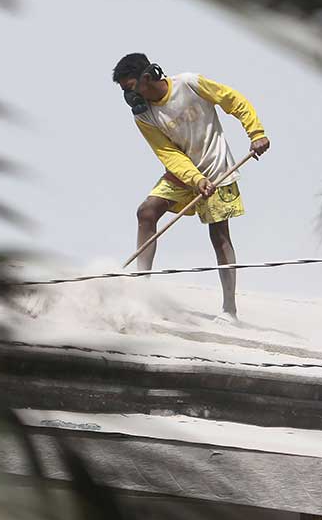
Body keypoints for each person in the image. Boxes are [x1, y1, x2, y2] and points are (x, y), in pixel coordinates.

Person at [112, 53, 270, 322]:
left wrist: (255, 133)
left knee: (219, 236)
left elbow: (233, 100)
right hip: (182, 175)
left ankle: (229, 310)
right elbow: (168, 154)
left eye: (130, 87)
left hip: (219, 169)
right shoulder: (144, 116)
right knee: (146, 213)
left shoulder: (189, 84)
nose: (129, 96)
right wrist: (195, 180)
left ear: (146, 78)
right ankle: (141, 293)